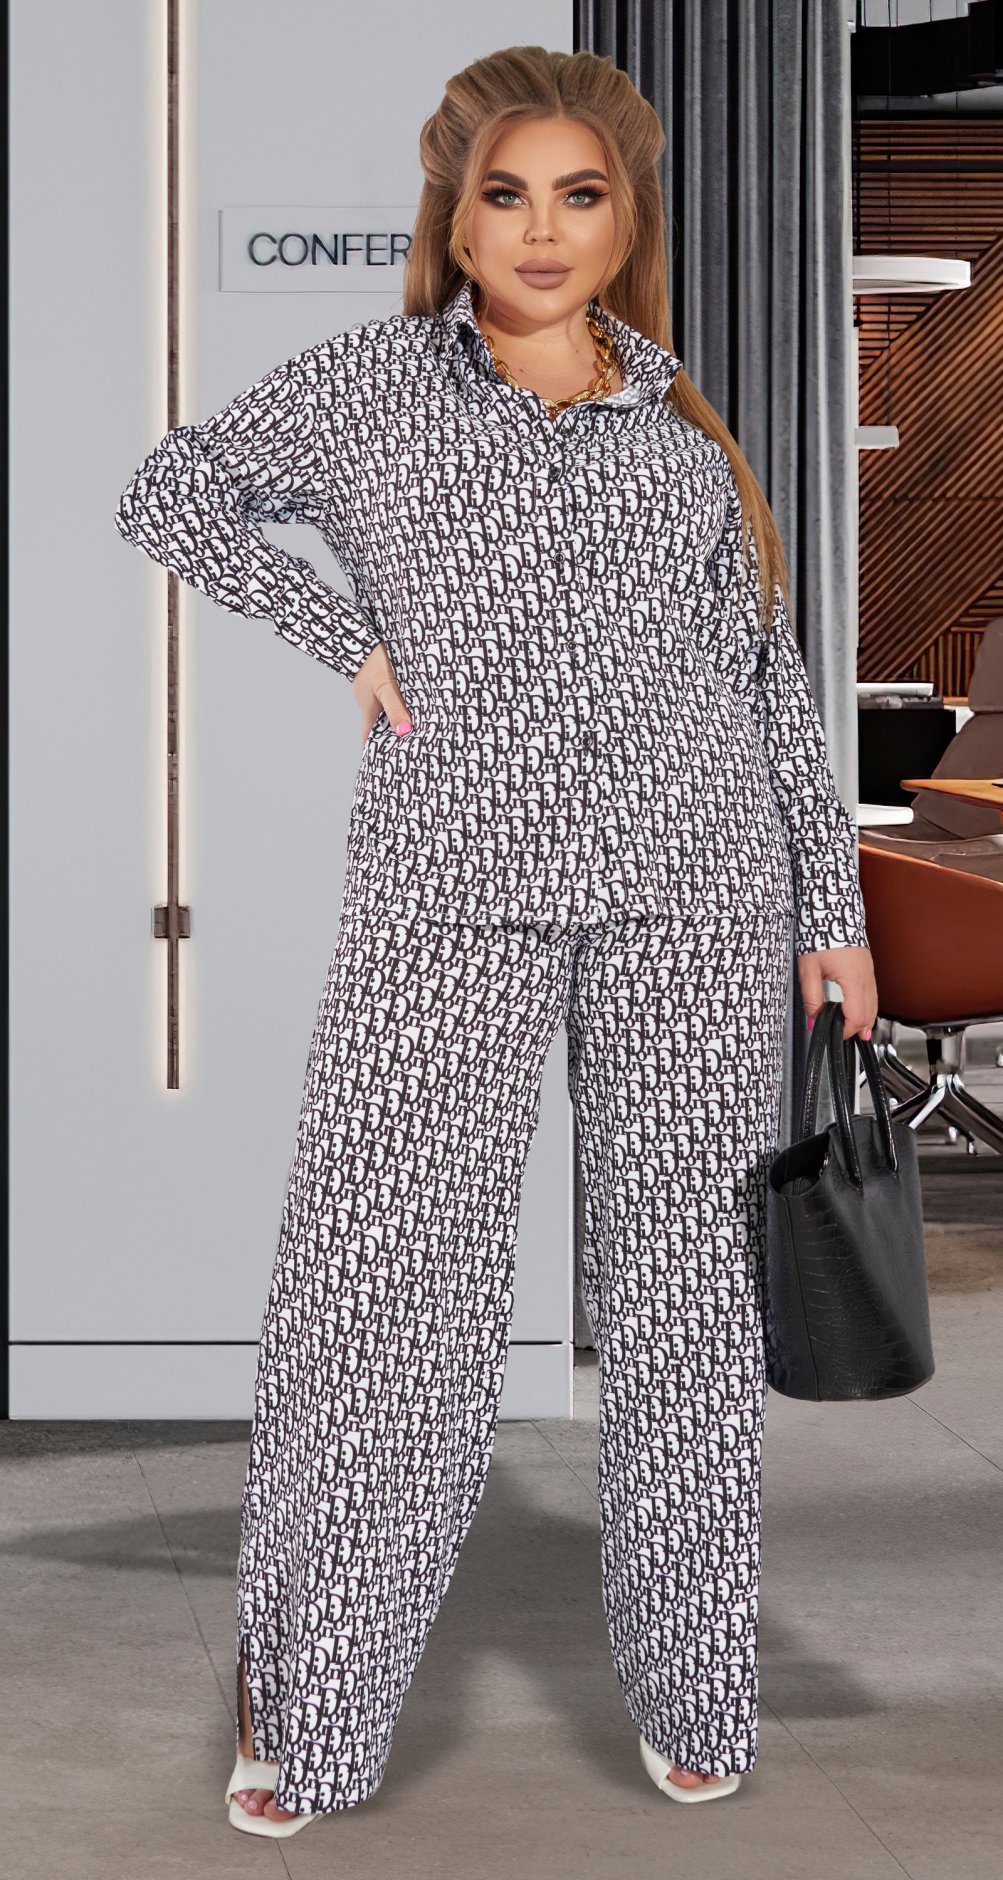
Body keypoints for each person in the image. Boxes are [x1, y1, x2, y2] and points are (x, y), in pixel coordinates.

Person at [114, 45, 878, 1838]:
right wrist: (343, 636)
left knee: (686, 1306)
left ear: (626, 222)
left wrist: (830, 915)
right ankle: (312, 1697)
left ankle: (696, 1680)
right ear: (456, 222)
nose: (543, 230)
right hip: (448, 893)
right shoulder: (374, 385)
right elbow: (170, 490)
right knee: (385, 1301)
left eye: (580, 196)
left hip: (698, 897)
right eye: (507, 195)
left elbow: (769, 685)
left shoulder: (683, 429)